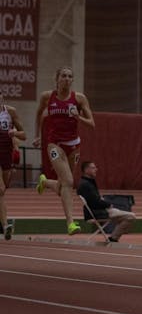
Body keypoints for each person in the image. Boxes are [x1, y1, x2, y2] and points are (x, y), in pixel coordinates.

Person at [33, 66, 95, 236]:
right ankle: (70, 223)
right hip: (55, 144)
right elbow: (39, 114)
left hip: (74, 146)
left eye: (69, 76)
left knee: (63, 186)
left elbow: (92, 123)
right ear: (57, 79)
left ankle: (45, 183)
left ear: (72, 80)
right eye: (63, 76)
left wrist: (77, 116)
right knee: (68, 182)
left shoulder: (79, 99)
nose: (67, 79)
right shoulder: (47, 97)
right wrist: (37, 135)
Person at [76, 161, 136, 242]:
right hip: (98, 212)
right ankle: (113, 238)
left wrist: (104, 203)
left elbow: (94, 199)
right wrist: (108, 204)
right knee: (131, 216)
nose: (96, 169)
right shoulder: (86, 184)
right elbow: (95, 202)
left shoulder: (87, 182)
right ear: (86, 170)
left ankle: (113, 237)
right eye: (93, 168)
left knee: (125, 216)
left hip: (99, 210)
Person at [0, 94, 26, 240]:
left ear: (2, 98)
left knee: (2, 191)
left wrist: (14, 133)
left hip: (6, 155)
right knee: (0, 190)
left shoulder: (10, 112)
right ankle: (5, 226)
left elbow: (24, 135)